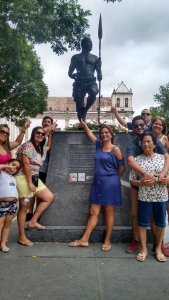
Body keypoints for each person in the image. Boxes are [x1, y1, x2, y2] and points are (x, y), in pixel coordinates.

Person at [69, 121, 125, 251]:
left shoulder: (115, 149)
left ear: (111, 134)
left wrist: (111, 177)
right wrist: (84, 125)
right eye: (102, 133)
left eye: (107, 132)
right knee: (94, 212)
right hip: (98, 183)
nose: (104, 134)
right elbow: (90, 135)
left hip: (110, 183)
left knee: (109, 212)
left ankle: (107, 240)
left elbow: (122, 169)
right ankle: (84, 240)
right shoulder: (98, 145)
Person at [125, 115, 169, 255]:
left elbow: (167, 157)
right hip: (138, 182)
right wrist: (145, 175)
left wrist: (162, 175)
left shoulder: (153, 139)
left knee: (155, 218)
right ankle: (136, 241)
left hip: (156, 186)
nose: (139, 128)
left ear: (146, 125)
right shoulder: (132, 144)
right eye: (136, 126)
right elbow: (131, 162)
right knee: (135, 214)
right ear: (133, 128)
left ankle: (158, 244)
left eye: (141, 125)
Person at [15, 126, 54, 246]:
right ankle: (22, 236)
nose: (41, 135)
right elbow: (26, 165)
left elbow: (48, 147)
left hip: (35, 177)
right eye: (38, 133)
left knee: (48, 197)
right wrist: (30, 183)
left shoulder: (40, 148)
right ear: (33, 133)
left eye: (43, 134)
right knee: (24, 207)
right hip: (24, 177)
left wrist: (50, 133)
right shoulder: (28, 146)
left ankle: (32, 221)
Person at [68, 37, 102, 121]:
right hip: (79, 81)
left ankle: (85, 109)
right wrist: (72, 75)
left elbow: (99, 71)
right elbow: (70, 72)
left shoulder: (96, 58)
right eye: (88, 44)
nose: (90, 46)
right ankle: (81, 122)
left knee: (94, 92)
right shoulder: (75, 57)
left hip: (91, 81)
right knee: (79, 104)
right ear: (82, 45)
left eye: (91, 44)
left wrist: (99, 75)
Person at [0, 159, 21, 253]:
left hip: (12, 205)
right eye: (13, 164)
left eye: (16, 168)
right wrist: (6, 166)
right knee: (0, 224)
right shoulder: (1, 174)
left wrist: (16, 202)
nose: (13, 168)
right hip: (2, 203)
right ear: (7, 163)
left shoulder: (13, 178)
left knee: (7, 225)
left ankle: (3, 243)